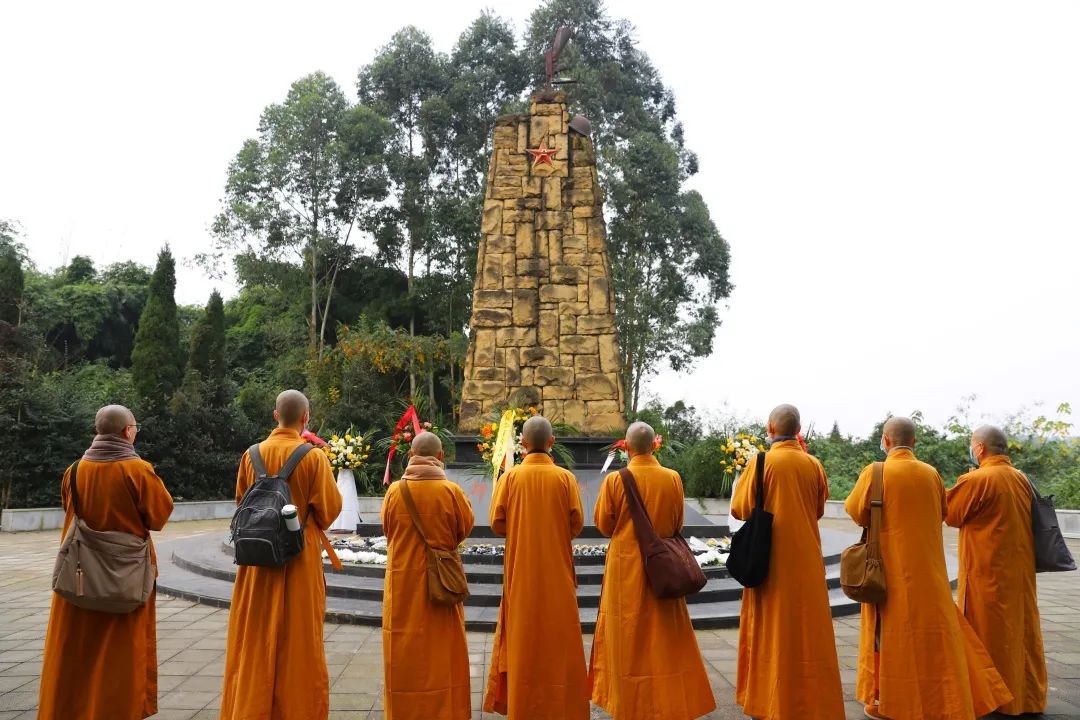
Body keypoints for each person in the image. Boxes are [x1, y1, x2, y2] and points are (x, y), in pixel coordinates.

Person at [845, 416, 1013, 720]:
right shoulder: (932, 474)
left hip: (887, 571)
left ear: (885, 441)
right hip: (927, 571)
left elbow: (856, 511)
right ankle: (938, 697)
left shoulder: (876, 471)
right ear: (915, 442)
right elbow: (944, 512)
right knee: (928, 637)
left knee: (888, 636)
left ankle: (887, 703)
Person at [38, 405, 174, 720]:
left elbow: (71, 512)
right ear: (128, 431)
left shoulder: (74, 471)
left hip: (80, 577)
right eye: (135, 427)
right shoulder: (138, 470)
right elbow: (159, 516)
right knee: (120, 654)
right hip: (124, 579)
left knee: (77, 650)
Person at [220, 390, 343, 720]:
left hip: (256, 561)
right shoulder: (314, 458)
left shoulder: (251, 455)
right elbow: (329, 512)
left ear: (276, 415)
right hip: (298, 559)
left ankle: (249, 708)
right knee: (298, 639)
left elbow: (240, 504)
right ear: (306, 418)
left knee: (255, 636)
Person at [589, 421, 715, 720]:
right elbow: (676, 525)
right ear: (654, 445)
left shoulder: (616, 481)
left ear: (627, 447)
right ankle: (667, 701)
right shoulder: (672, 478)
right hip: (663, 566)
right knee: (664, 637)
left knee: (627, 636)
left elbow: (605, 525)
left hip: (626, 568)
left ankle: (628, 702)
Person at [731, 404, 846, 720]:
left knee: (771, 632)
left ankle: (769, 700)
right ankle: (808, 702)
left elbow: (741, 510)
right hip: (806, 561)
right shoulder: (813, 464)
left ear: (770, 428)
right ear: (797, 430)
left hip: (770, 560)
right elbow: (818, 510)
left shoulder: (761, 462)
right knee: (806, 633)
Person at [483, 415, 590, 719]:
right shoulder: (565, 478)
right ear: (551, 443)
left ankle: (523, 706)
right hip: (557, 573)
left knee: (523, 639)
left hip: (521, 573)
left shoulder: (511, 478)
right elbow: (576, 524)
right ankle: (563, 708)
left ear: (523, 444)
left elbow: (497, 522)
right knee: (560, 640)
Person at [946, 425, 1047, 715]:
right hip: (1020, 572)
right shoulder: (1021, 478)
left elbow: (951, 514)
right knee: (1022, 633)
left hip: (987, 573)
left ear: (979, 448)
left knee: (991, 636)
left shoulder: (978, 479)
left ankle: (995, 699)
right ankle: (1027, 698)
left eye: (971, 444)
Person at [381, 431, 475, 720]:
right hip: (441, 583)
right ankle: (445, 710)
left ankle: (405, 710)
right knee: (442, 650)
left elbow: (388, 531)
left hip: (402, 583)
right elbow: (464, 529)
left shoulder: (395, 492)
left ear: (410, 456)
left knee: (403, 649)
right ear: (441, 457)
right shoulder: (451, 492)